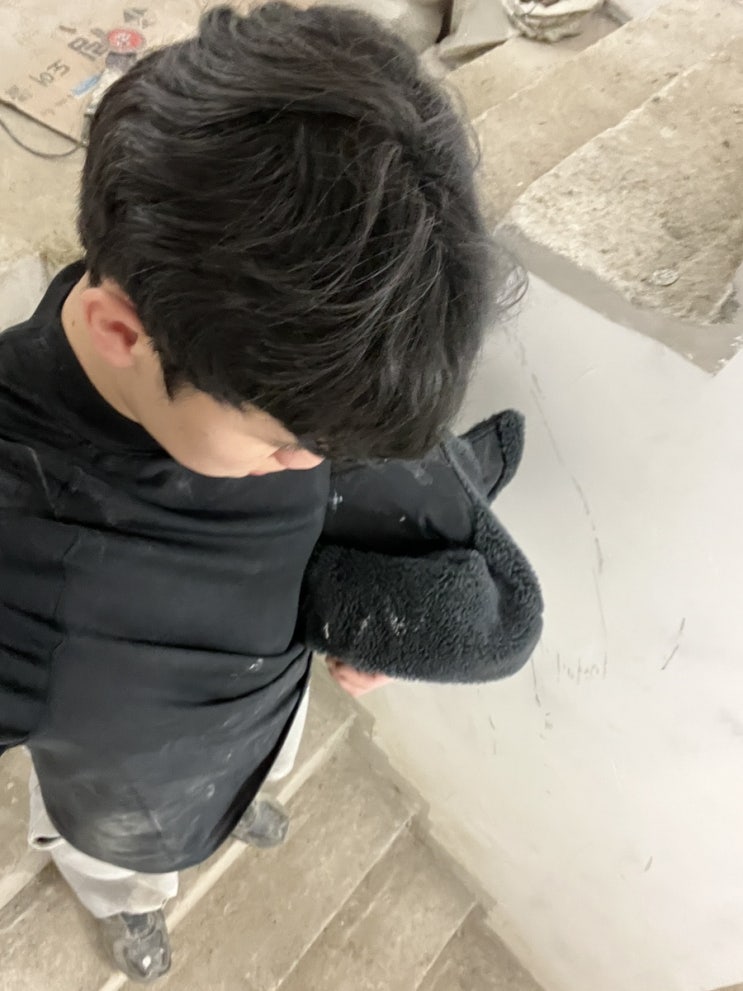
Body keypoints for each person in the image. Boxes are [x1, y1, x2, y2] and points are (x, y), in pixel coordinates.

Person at [0, 2, 540, 984]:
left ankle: (242, 798)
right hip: (129, 798)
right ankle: (127, 905)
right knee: (127, 860)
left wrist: (375, 609)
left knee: (256, 766)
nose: (316, 465)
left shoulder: (283, 362)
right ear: (123, 333)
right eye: (289, 446)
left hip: (266, 706)